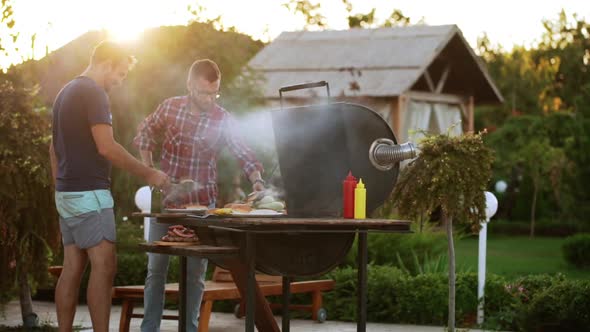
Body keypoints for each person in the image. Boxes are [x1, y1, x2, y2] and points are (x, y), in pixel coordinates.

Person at [134, 59, 265, 331]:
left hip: (203, 207)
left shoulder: (222, 118)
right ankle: (149, 329)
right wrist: (148, 169)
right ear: (190, 86)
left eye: (215, 92)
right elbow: (144, 133)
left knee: (194, 275)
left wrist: (257, 180)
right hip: (166, 204)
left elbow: (244, 152)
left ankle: (189, 329)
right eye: (205, 92)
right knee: (156, 270)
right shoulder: (170, 108)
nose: (210, 99)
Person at [49, 41, 170, 332]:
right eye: (121, 74)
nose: (120, 81)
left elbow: (52, 148)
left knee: (72, 268)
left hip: (67, 192)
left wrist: (61, 188)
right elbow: (106, 147)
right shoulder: (93, 93)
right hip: (90, 193)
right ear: (106, 63)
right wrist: (149, 173)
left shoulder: (64, 93)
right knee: (104, 268)